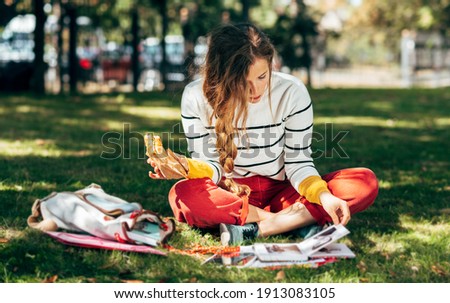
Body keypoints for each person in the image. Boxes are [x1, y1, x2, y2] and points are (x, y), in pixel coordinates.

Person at [148, 23, 378, 246]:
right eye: (243, 82)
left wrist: (324, 196)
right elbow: (211, 167)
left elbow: (298, 163)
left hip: (283, 192)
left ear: (271, 65)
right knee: (182, 195)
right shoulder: (195, 96)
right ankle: (295, 222)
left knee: (363, 182)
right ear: (223, 76)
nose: (256, 91)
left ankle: (258, 228)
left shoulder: (291, 91)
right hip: (230, 193)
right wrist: (187, 167)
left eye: (262, 77)